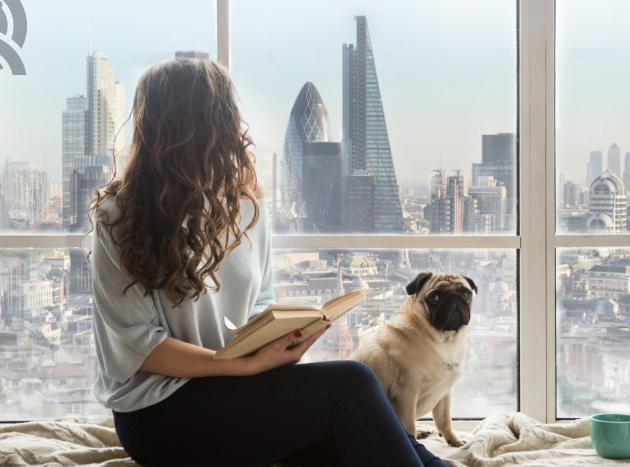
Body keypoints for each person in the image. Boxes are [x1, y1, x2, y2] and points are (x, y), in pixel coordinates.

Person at [88, 57, 447, 467]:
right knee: (353, 384)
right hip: (159, 412)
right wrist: (241, 366)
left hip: (239, 390)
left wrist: (277, 341)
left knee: (364, 430)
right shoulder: (119, 216)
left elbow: (262, 300)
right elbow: (138, 347)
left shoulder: (246, 203)